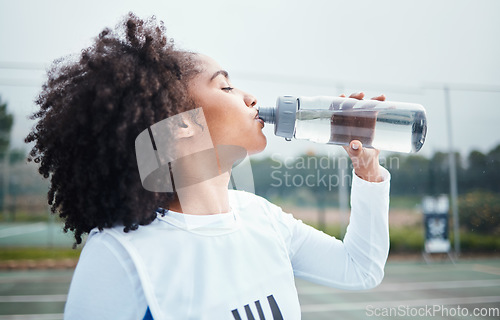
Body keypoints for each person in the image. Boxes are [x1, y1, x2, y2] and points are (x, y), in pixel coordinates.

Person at [26, 13, 390, 320]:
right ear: (181, 126)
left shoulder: (262, 218)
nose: (251, 98)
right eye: (226, 87)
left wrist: (367, 171)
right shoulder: (119, 254)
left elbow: (361, 268)